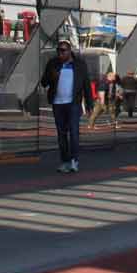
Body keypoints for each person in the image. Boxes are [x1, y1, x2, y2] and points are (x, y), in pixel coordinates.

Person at [41, 39, 94, 174]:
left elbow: (86, 85)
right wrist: (52, 77)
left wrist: (89, 104)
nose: (60, 54)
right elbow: (43, 82)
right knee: (61, 134)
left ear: (70, 51)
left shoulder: (79, 65)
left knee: (74, 133)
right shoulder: (53, 64)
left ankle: (74, 161)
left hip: (73, 104)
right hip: (58, 104)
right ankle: (65, 161)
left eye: (63, 51)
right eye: (58, 51)